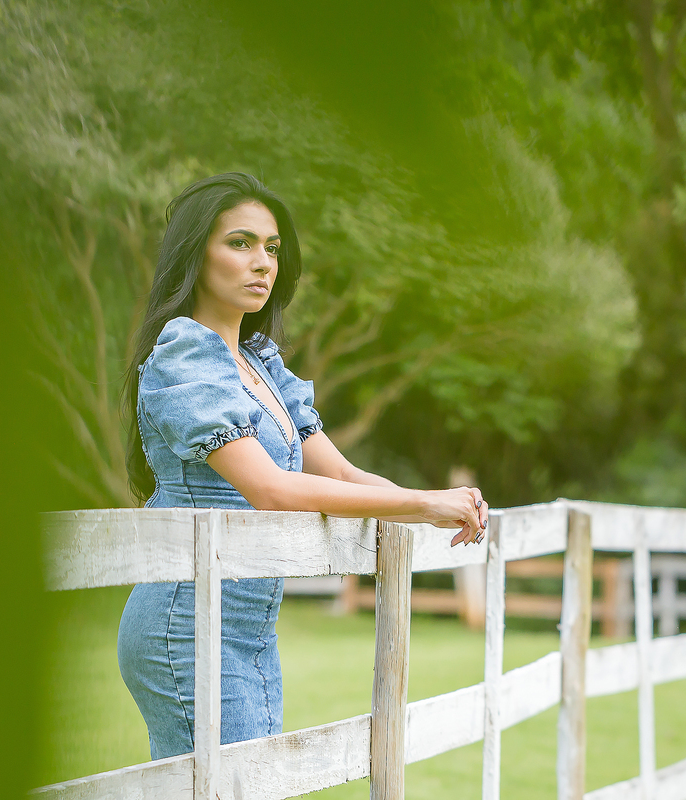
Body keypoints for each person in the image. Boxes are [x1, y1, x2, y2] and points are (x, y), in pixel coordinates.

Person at [116, 172, 489, 760]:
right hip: (187, 622)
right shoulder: (184, 356)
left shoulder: (260, 364)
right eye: (239, 243)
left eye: (271, 248)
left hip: (250, 629)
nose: (262, 262)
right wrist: (422, 504)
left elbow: (340, 474)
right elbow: (270, 488)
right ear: (195, 253)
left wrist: (435, 503)